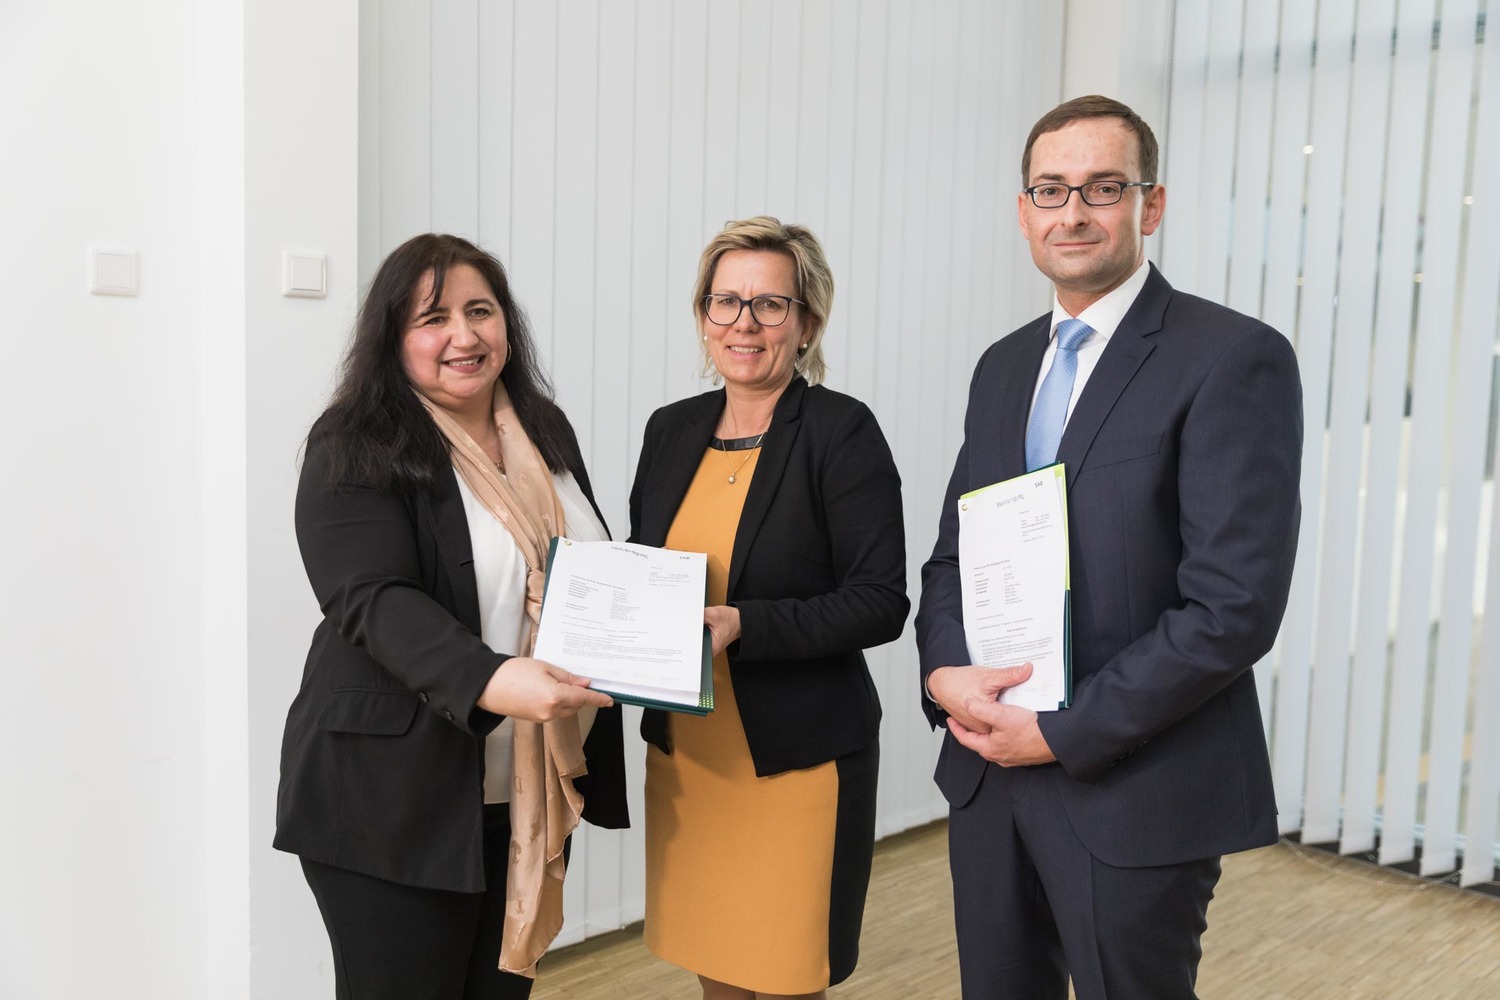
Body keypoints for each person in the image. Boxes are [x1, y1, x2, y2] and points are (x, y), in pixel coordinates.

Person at [915, 96, 1303, 998]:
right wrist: (944, 677)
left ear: (1150, 205)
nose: (1074, 212)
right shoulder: (1004, 365)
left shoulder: (1230, 356)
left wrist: (1058, 732)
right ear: (1024, 212)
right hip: (988, 777)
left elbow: (1232, 607)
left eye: (1103, 187)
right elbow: (952, 559)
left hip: (1135, 785)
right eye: (1051, 190)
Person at [274, 233, 629, 999]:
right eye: (433, 318)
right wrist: (495, 679)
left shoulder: (542, 430)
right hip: (390, 800)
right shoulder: (354, 443)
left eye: (481, 310)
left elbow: (585, 572)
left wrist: (654, 626)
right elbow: (371, 598)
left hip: (521, 792)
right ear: (392, 339)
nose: (464, 336)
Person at [629, 216, 908, 1000]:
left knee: (785, 977)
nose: (743, 324)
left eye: (769, 305)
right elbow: (645, 567)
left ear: (807, 321)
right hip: (690, 757)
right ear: (702, 315)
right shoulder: (670, 430)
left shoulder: (840, 431)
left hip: (796, 763)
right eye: (725, 302)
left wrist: (744, 624)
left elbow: (880, 601)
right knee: (717, 970)